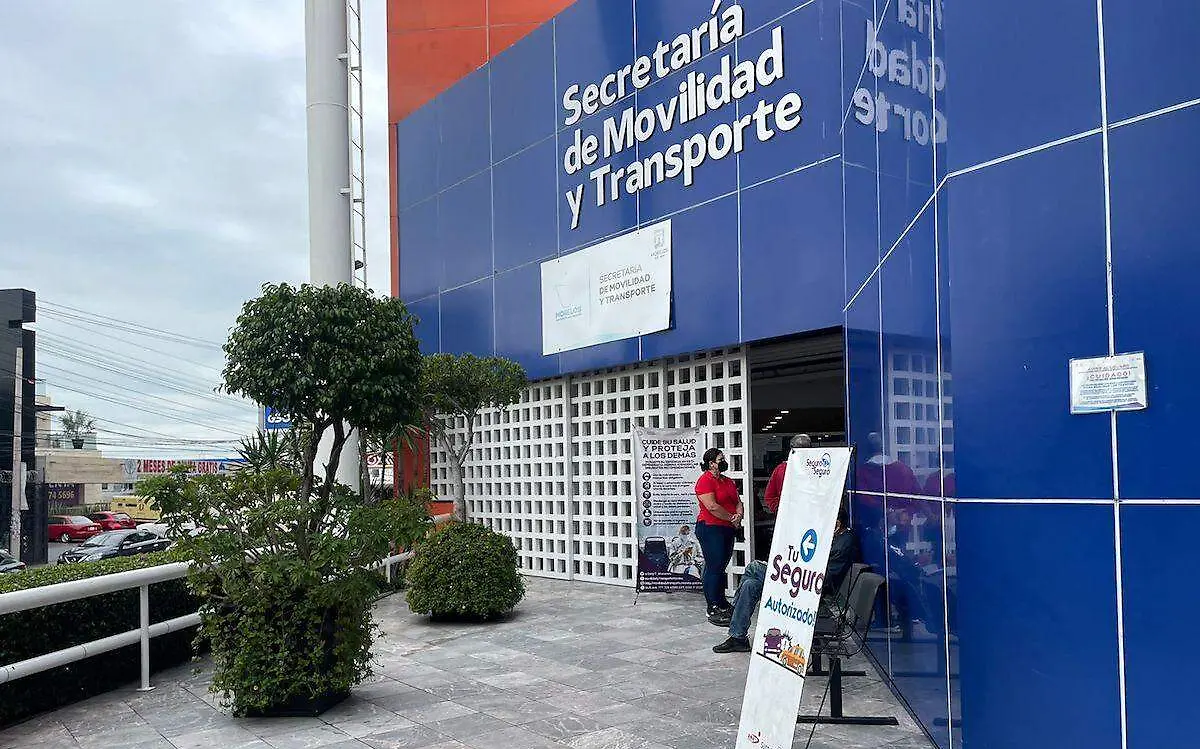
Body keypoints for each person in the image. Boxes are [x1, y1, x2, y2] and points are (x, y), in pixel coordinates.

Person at [714, 509, 858, 654]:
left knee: (754, 567)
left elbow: (825, 578)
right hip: (799, 580)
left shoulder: (843, 543)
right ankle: (738, 637)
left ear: (837, 524)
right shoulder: (834, 538)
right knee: (749, 585)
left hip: (807, 587)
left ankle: (732, 612)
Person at [694, 448, 743, 625]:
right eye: (720, 459)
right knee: (714, 566)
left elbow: (737, 501)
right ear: (711, 463)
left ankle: (721, 602)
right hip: (710, 528)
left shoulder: (727, 481)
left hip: (728, 528)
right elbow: (712, 506)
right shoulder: (705, 481)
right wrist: (732, 518)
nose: (724, 462)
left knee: (721, 566)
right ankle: (712, 606)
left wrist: (738, 516)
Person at [763, 434, 812, 514]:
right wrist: (780, 509)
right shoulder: (781, 469)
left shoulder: (814, 469)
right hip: (789, 516)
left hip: (809, 514)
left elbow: (769, 496)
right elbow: (769, 496)